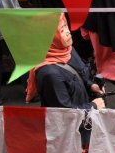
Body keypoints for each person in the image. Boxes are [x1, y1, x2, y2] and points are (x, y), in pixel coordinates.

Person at [25, 14, 105, 145]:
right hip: (69, 138)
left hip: (84, 125)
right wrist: (93, 106)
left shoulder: (66, 49)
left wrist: (91, 85)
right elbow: (64, 112)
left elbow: (80, 71)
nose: (68, 32)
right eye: (61, 31)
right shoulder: (49, 74)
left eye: (66, 27)